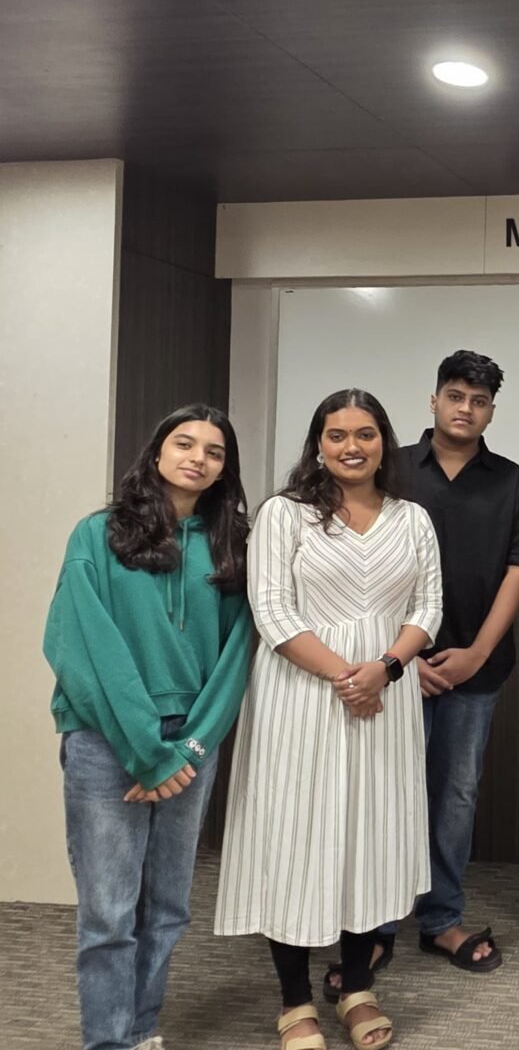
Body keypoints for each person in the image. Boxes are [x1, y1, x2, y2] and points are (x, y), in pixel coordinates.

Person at [215, 389, 442, 1050]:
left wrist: (385, 669)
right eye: (337, 434)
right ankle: (295, 1003)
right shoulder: (284, 514)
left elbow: (428, 607)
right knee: (298, 838)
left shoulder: (412, 519)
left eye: (365, 434)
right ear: (318, 444)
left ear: (383, 442)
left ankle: (357, 988)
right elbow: (272, 610)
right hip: (300, 696)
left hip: (384, 699)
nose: (351, 446)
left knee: (369, 836)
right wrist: (349, 676)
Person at [44, 405, 254, 1050]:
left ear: (224, 469)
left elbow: (238, 655)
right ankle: (107, 1042)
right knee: (109, 912)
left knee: (166, 907)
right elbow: (79, 644)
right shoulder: (98, 534)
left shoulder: (233, 545)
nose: (198, 458)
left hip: (192, 741)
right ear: (157, 451)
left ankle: (139, 1033)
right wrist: (148, 752)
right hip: (106, 739)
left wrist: (190, 746)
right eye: (184, 443)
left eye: (214, 451)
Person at [347, 352, 519, 989]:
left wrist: (477, 653)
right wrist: (400, 657)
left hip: (474, 671)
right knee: (385, 793)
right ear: (434, 401)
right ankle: (373, 928)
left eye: (479, 401)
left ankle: (441, 918)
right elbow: (363, 567)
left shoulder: (511, 482)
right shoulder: (390, 469)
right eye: (455, 396)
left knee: (455, 796)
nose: (466, 409)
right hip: (391, 667)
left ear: (491, 411)